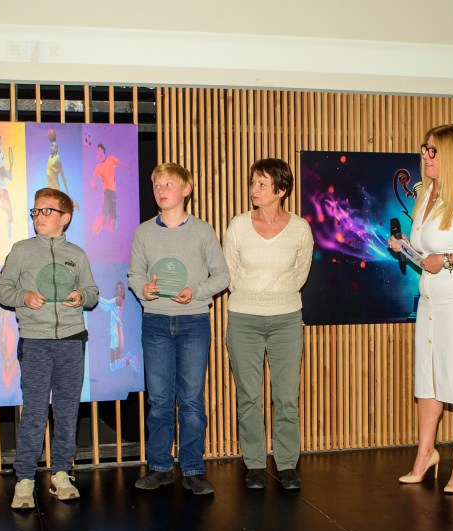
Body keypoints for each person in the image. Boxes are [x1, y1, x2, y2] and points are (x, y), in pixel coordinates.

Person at [389, 123, 453, 494]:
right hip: (432, 299)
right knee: (428, 377)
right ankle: (426, 454)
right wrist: (406, 248)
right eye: (425, 148)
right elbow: (428, 256)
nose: (426, 156)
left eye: (433, 150)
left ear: (451, 155)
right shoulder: (426, 194)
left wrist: (446, 259)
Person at [0, 188, 99, 510]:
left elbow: (93, 293)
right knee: (35, 411)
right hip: (35, 341)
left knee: (67, 411)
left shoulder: (77, 254)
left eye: (46, 211)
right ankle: (25, 478)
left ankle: (61, 473)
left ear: (65, 218)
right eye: (35, 211)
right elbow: (0, 288)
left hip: (72, 340)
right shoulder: (22, 251)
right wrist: (23, 297)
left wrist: (82, 296)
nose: (39, 216)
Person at [128, 163, 230, 495]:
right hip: (155, 321)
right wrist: (144, 289)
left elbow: (222, 276)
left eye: (169, 184)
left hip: (193, 322)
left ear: (186, 189)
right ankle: (159, 467)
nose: (161, 190)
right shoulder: (144, 232)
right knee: (158, 400)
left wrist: (195, 291)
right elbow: (135, 275)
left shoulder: (203, 231)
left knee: (191, 400)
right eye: (157, 184)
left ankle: (193, 469)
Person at [223, 159, 314, 492]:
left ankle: (287, 464)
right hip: (243, 318)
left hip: (286, 318)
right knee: (249, 397)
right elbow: (229, 273)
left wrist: (278, 295)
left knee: (286, 396)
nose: (254, 189)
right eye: (253, 182)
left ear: (282, 189)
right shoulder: (238, 225)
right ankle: (255, 464)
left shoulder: (300, 229)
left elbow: (301, 274)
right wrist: (254, 297)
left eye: (262, 184)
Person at [90, 143, 125, 234]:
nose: (97, 153)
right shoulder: (98, 167)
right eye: (96, 152)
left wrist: (129, 167)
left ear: (103, 150)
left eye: (98, 150)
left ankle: (102, 224)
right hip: (106, 192)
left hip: (113, 193)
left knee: (114, 225)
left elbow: (120, 164)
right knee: (104, 215)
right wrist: (93, 184)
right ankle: (98, 227)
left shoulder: (110, 159)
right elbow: (93, 179)